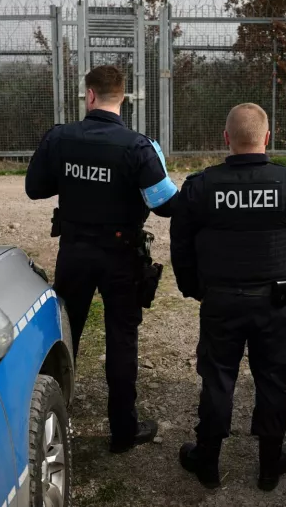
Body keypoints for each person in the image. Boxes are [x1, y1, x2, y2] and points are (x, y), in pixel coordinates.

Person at [170, 103, 286, 491]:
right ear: (268, 138)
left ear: (226, 139)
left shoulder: (199, 187)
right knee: (273, 381)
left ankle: (207, 463)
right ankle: (268, 466)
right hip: (274, 304)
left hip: (220, 301)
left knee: (217, 379)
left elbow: (181, 245)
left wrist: (194, 289)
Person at [24, 64, 179, 454]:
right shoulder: (140, 147)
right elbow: (165, 206)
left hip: (74, 251)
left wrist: (73, 179)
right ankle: (123, 432)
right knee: (122, 340)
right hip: (122, 255)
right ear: (122, 99)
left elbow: (34, 188)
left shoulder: (60, 138)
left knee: (65, 334)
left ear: (89, 95)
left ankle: (51, 423)